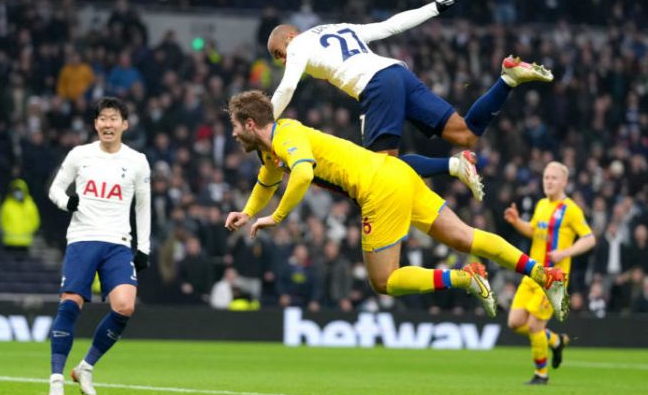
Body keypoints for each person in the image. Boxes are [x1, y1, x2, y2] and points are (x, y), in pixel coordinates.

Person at [223, 91, 567, 320]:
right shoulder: (271, 150)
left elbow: (300, 175)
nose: (235, 134)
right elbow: (267, 181)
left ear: (250, 123)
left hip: (379, 190)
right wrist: (249, 212)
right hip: (396, 173)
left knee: (384, 281)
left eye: (236, 127)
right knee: (465, 236)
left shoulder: (287, 135)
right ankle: (544, 275)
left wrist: (276, 217)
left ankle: (464, 279)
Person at [266, 0, 553, 201]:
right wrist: (435, 7)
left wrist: (268, 126)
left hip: (376, 86)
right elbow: (390, 26)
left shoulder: (298, 46)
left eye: (278, 53)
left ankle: (453, 165)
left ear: (289, 37)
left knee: (382, 170)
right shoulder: (339, 29)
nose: (282, 60)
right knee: (465, 133)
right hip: (398, 74)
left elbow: (288, 86)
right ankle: (507, 80)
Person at [45, 97, 152, 395]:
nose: (108, 124)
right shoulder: (80, 155)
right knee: (71, 303)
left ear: (125, 124)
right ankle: (55, 379)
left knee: (125, 306)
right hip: (83, 237)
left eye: (114, 118)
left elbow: (143, 205)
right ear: (95, 124)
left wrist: (143, 247)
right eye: (103, 119)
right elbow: (55, 188)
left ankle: (86, 367)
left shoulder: (137, 161)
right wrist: (67, 202)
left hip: (118, 243)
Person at [503, 162, 595, 385]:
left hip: (553, 280)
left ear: (564, 182)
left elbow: (589, 238)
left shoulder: (571, 209)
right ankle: (555, 341)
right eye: (546, 177)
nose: (549, 182)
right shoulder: (542, 204)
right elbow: (534, 231)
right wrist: (517, 222)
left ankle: (541, 374)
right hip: (533, 273)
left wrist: (565, 252)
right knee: (515, 322)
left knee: (535, 326)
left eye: (554, 178)